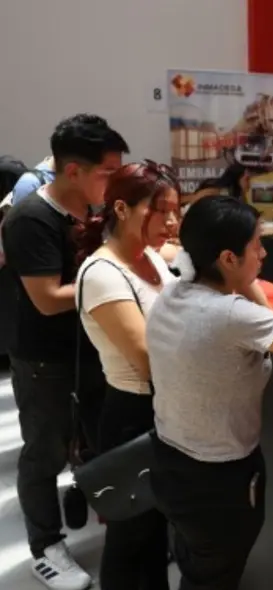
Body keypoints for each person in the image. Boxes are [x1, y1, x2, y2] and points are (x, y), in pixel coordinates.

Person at [146, 195, 273, 589]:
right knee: (216, 575)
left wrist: (241, 276)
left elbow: (262, 315)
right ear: (227, 258)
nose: (264, 254)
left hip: (170, 461)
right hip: (218, 480)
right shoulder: (230, 315)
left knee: (198, 565)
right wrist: (246, 282)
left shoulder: (175, 292)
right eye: (256, 245)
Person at [1, 113, 129, 590]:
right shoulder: (31, 218)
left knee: (100, 438)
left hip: (92, 350)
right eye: (107, 172)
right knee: (44, 453)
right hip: (44, 360)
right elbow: (48, 298)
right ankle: (46, 547)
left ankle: (114, 516)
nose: (113, 182)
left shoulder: (94, 213)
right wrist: (118, 281)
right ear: (73, 170)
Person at [75, 160, 181, 590]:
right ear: (121, 209)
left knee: (154, 534)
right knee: (130, 535)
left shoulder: (150, 256)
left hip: (164, 408)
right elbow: (148, 361)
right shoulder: (102, 274)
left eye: (176, 211)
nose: (172, 222)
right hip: (132, 414)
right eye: (161, 211)